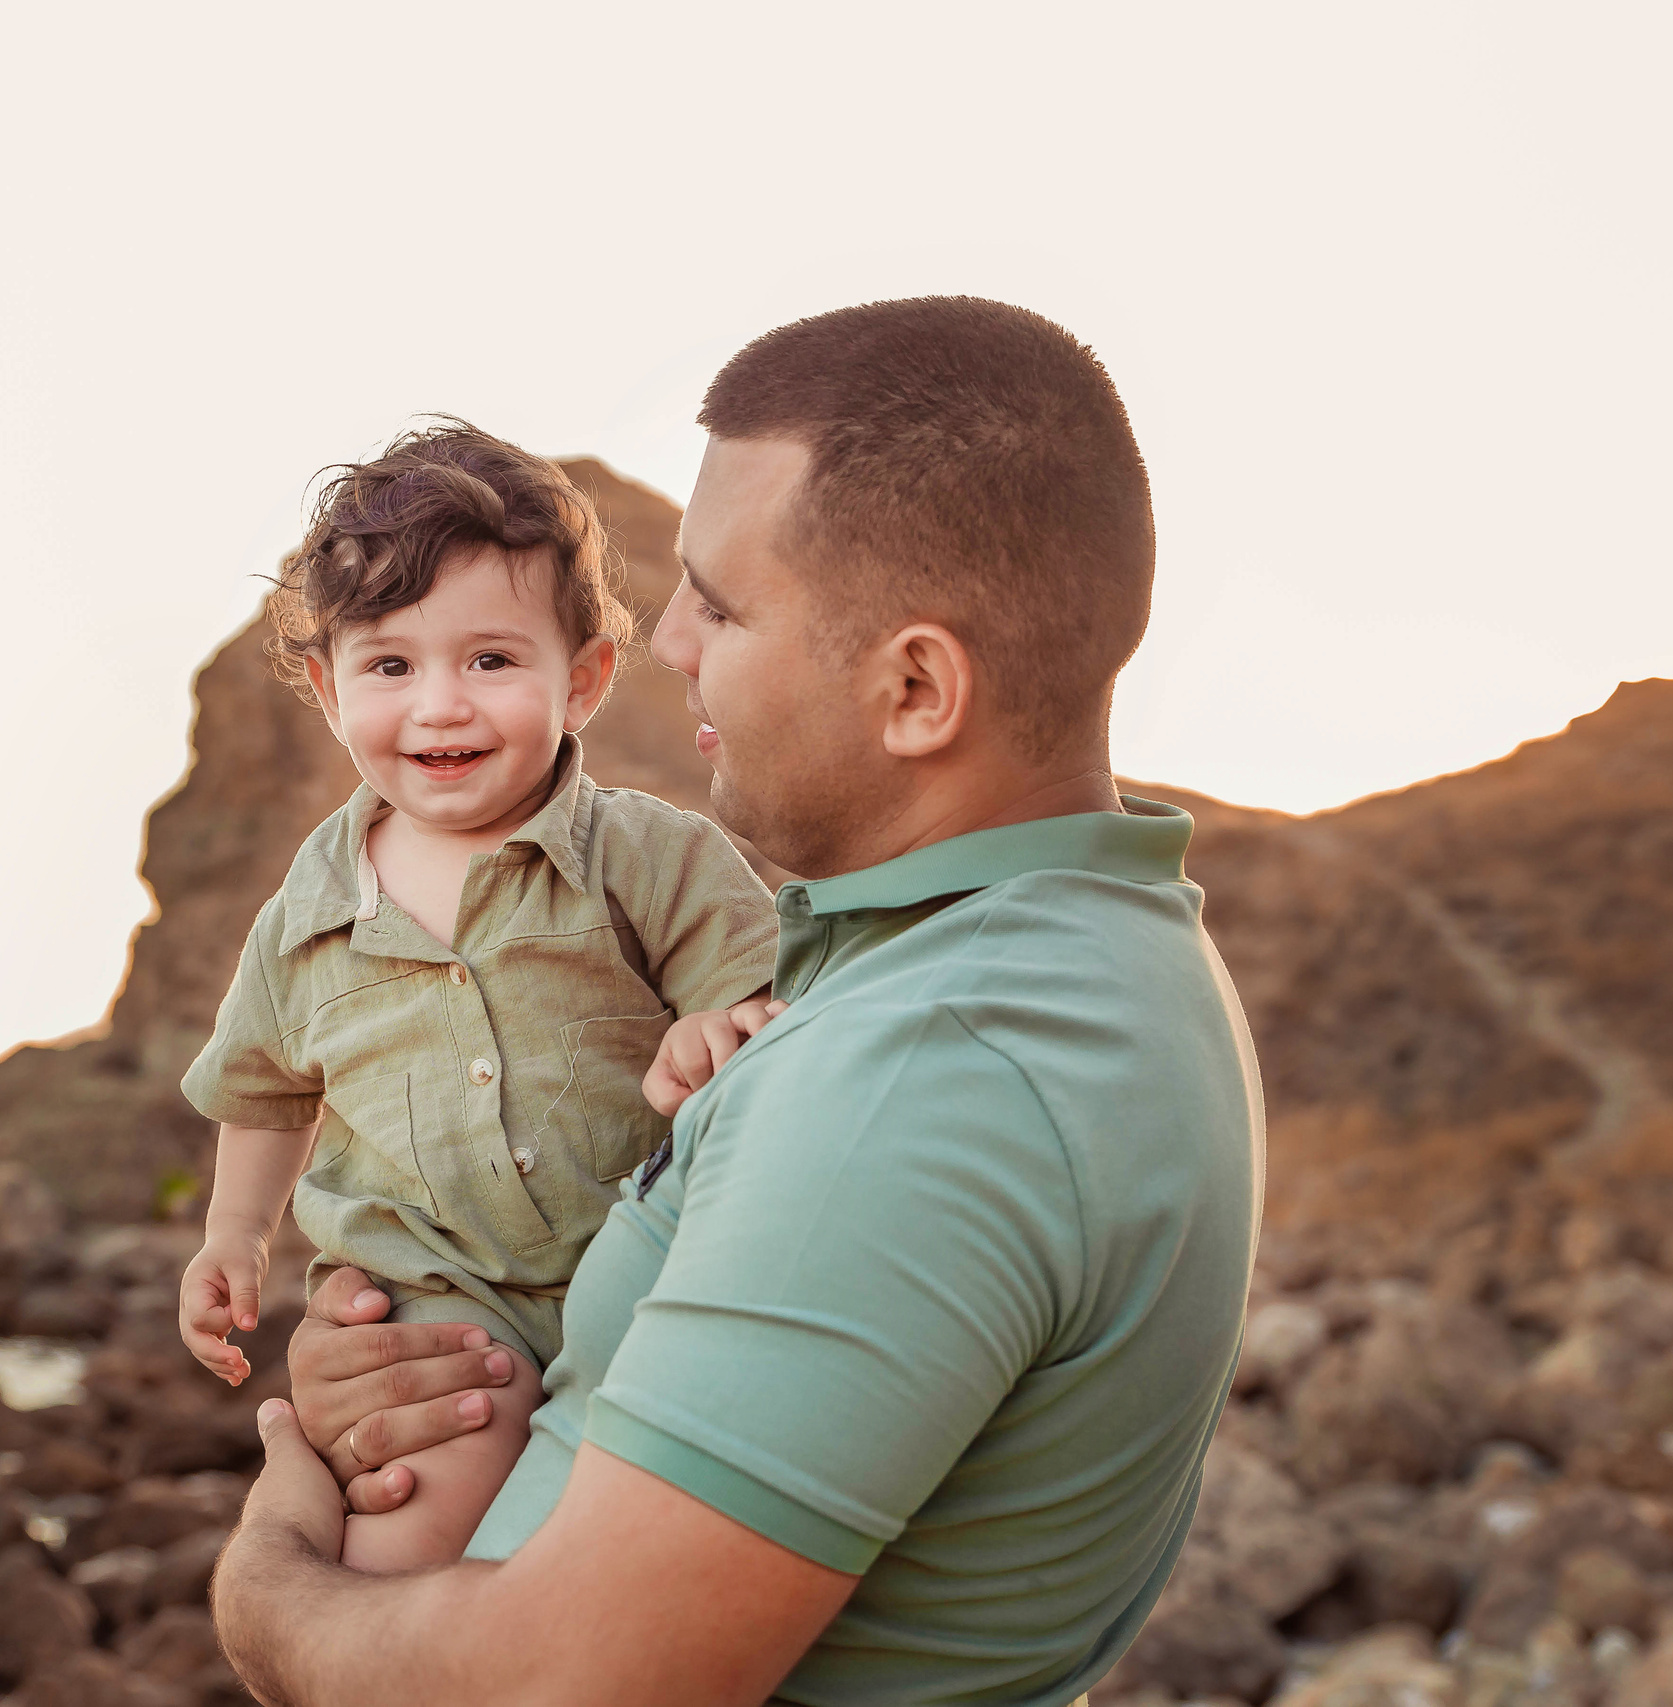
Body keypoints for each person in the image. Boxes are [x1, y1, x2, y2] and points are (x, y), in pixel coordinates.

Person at [210, 297, 1267, 1707]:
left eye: (723, 599)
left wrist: (274, 1573)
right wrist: (417, 1354)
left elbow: (565, 1687)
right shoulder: (1080, 947)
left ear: (915, 687)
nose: (673, 643)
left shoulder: (924, 1073)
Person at [174, 422, 783, 1572]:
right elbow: (263, 1091)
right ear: (326, 685)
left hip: (640, 1284)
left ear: (584, 679)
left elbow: (753, 990)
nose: (440, 706)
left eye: (490, 662)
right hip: (432, 1309)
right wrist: (233, 1237)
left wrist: (718, 1023)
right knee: (413, 1521)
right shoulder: (307, 914)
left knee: (636, 1553)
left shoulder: (644, 857)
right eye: (390, 666)